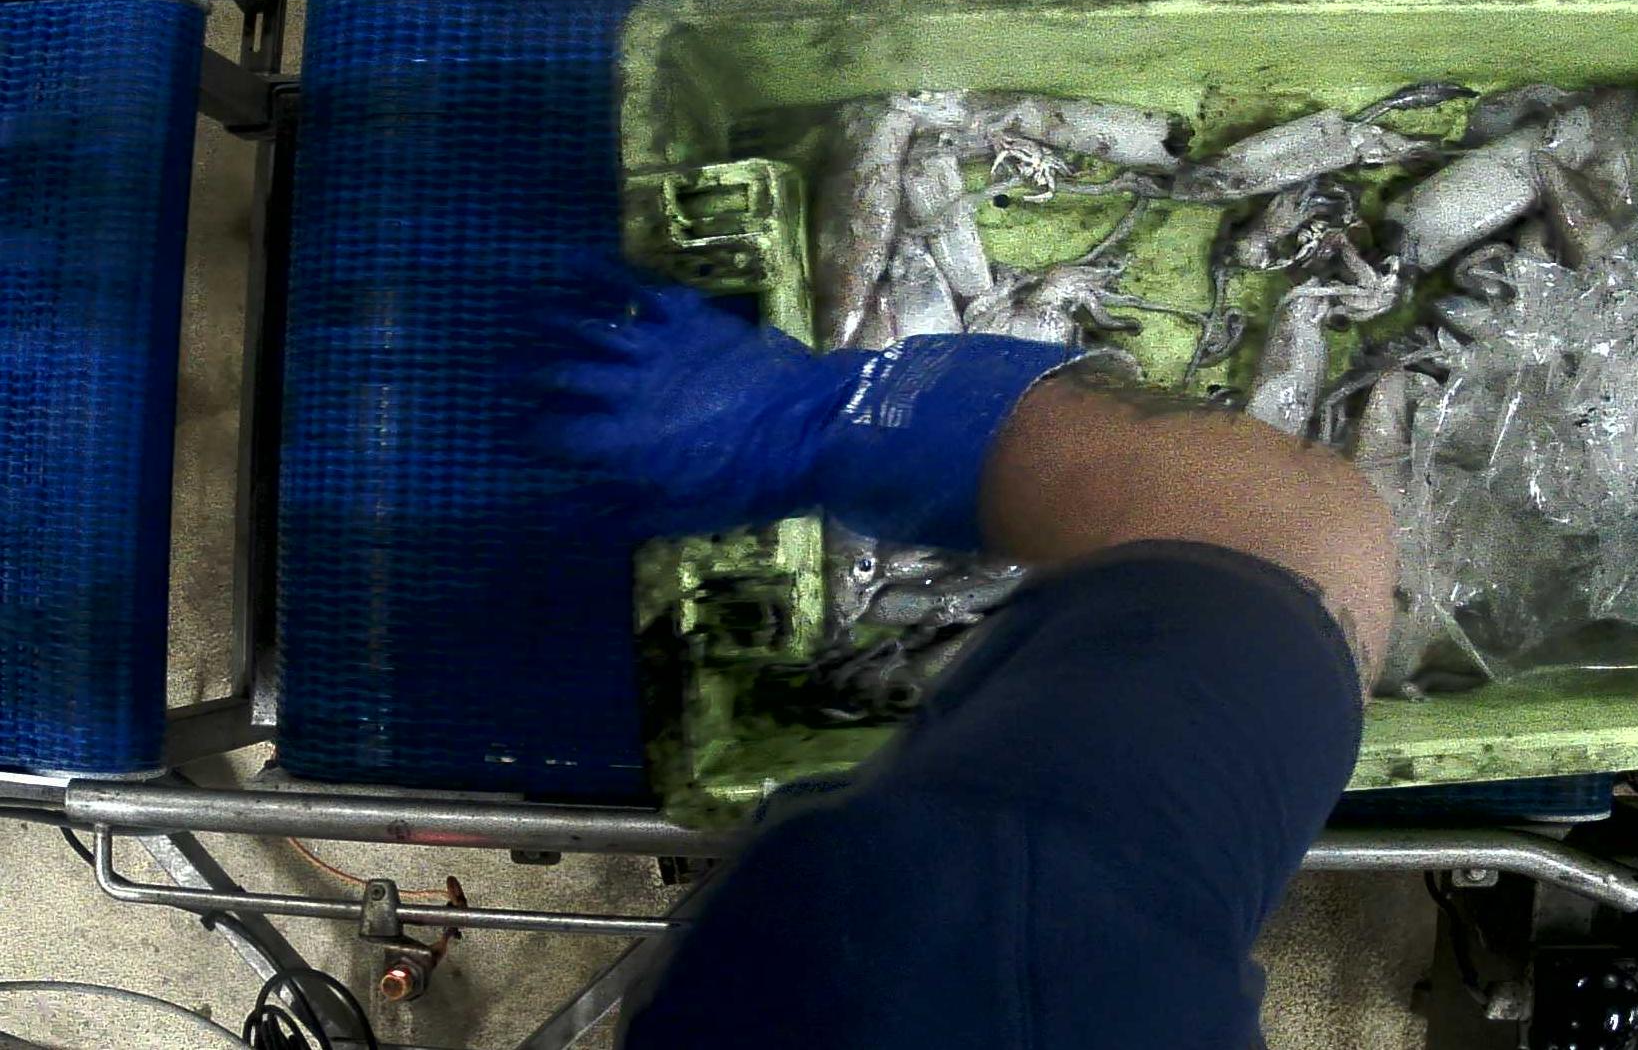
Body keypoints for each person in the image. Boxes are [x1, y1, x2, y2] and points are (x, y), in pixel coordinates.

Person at [530, 263, 1397, 1049]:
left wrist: (830, 418)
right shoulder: (1032, 975)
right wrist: (838, 418)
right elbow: (1286, 533)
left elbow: (1285, 530)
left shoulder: (937, 971)